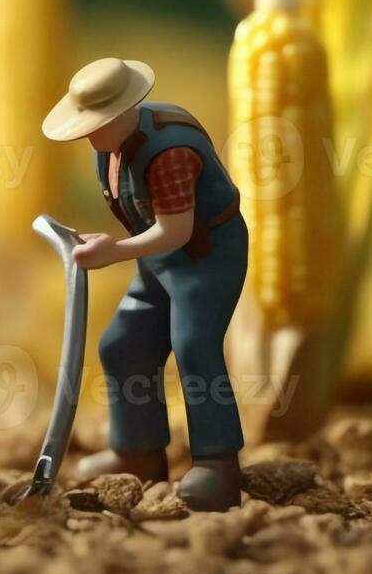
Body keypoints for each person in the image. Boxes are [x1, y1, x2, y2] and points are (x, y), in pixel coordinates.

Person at [42, 57, 248, 511]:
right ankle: (137, 451)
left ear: (119, 113)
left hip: (204, 258)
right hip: (156, 262)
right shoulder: (110, 149)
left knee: (194, 346)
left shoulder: (170, 153)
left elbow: (175, 230)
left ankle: (218, 463)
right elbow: (139, 214)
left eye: (93, 124)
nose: (88, 134)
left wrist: (114, 251)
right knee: (123, 344)